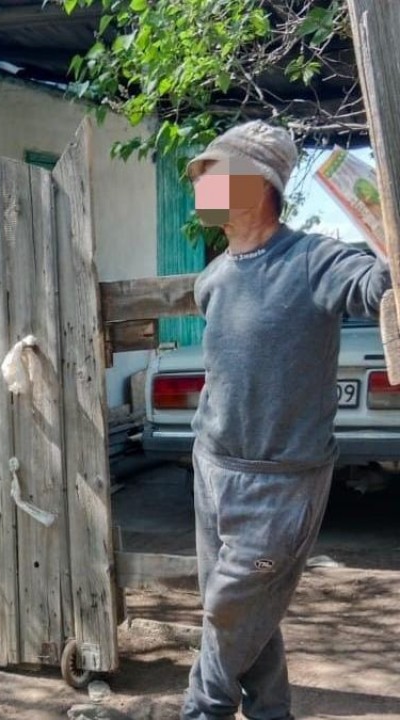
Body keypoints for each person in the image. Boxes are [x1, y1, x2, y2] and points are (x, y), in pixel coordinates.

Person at [182, 120, 391, 719]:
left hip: (283, 483)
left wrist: (382, 224)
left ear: (254, 183)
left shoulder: (316, 262)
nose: (198, 183)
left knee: (229, 613)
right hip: (213, 469)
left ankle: (201, 712)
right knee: (248, 615)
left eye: (210, 173)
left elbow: (379, 284)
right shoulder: (214, 279)